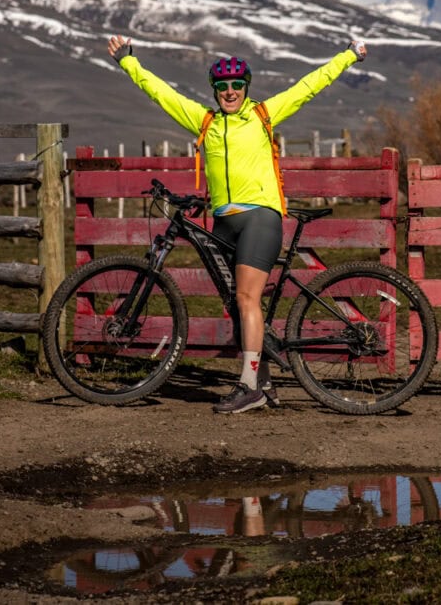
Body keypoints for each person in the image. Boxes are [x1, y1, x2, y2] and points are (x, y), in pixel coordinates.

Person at [107, 35, 368, 414]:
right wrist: (129, 62)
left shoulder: (264, 114)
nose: (230, 92)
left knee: (246, 298)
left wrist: (347, 56)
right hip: (223, 222)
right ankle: (263, 381)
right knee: (237, 302)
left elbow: (309, 85)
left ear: (247, 88)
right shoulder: (205, 120)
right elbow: (160, 93)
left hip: (261, 216)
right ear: (215, 91)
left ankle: (249, 387)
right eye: (223, 86)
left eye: (236, 86)